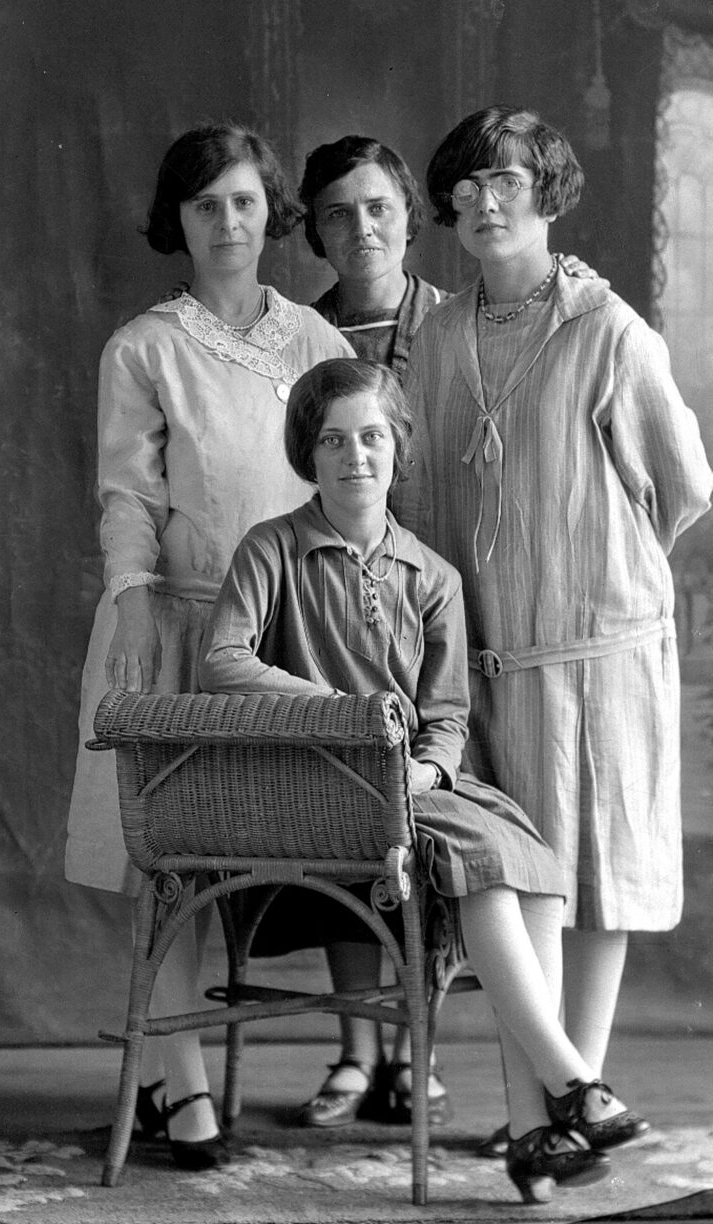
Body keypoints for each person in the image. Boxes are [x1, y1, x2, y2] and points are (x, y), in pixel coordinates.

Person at [198, 356, 650, 1205]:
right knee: (488, 855)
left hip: (413, 781)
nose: (354, 457)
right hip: (318, 785)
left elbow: (446, 714)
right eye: (333, 441)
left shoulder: (432, 574)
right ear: (309, 452)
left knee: (535, 867)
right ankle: (573, 1086)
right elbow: (223, 660)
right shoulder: (273, 550)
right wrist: (340, 711)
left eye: (372, 438)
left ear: (397, 449)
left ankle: (537, 1133)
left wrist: (429, 764)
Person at [395, 105, 713, 1157]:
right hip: (484, 659)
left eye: (511, 182)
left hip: (599, 653)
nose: (488, 203)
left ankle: (567, 1115)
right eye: (470, 187)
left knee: (594, 881)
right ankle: (549, 1111)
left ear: (550, 192)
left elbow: (683, 489)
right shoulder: (437, 339)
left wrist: (593, 579)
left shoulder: (611, 331)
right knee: (511, 875)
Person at [270, 133, 601, 1132]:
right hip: (329, 595)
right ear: (316, 232)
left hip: (445, 590)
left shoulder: (453, 320)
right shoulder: (299, 333)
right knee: (348, 818)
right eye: (336, 212)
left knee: (446, 816)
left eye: (378, 206)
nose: (360, 227)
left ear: (413, 216)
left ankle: (421, 1052)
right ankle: (356, 1049)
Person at [65, 122, 353, 1171]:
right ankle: (181, 1089)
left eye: (243, 201)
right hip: (178, 620)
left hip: (287, 634)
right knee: (171, 866)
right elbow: (129, 496)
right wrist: (133, 597)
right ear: (176, 221)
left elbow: (347, 487)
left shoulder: (318, 345)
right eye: (204, 205)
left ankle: (350, 1062)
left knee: (303, 852)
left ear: (270, 211)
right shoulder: (146, 347)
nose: (227, 223)